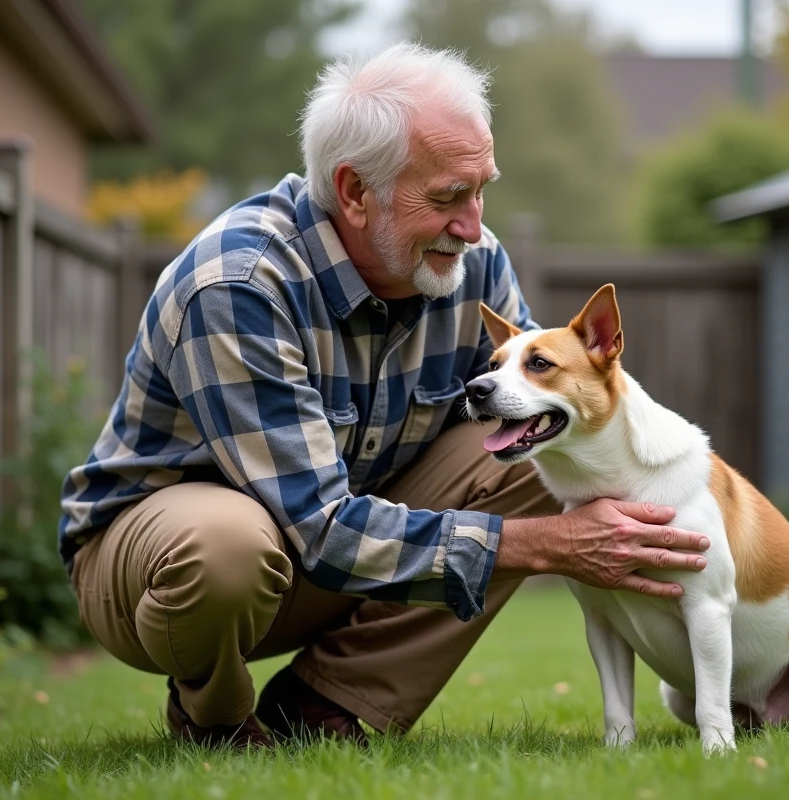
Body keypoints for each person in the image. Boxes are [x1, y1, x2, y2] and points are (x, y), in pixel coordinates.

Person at [58, 42, 710, 749]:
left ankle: (329, 705)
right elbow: (322, 527)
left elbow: (561, 403)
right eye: (446, 197)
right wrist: (547, 546)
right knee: (228, 548)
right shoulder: (239, 287)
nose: (472, 224)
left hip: (329, 552)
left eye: (480, 187)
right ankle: (213, 717)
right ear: (355, 192)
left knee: (546, 440)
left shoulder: (474, 262)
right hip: (166, 576)